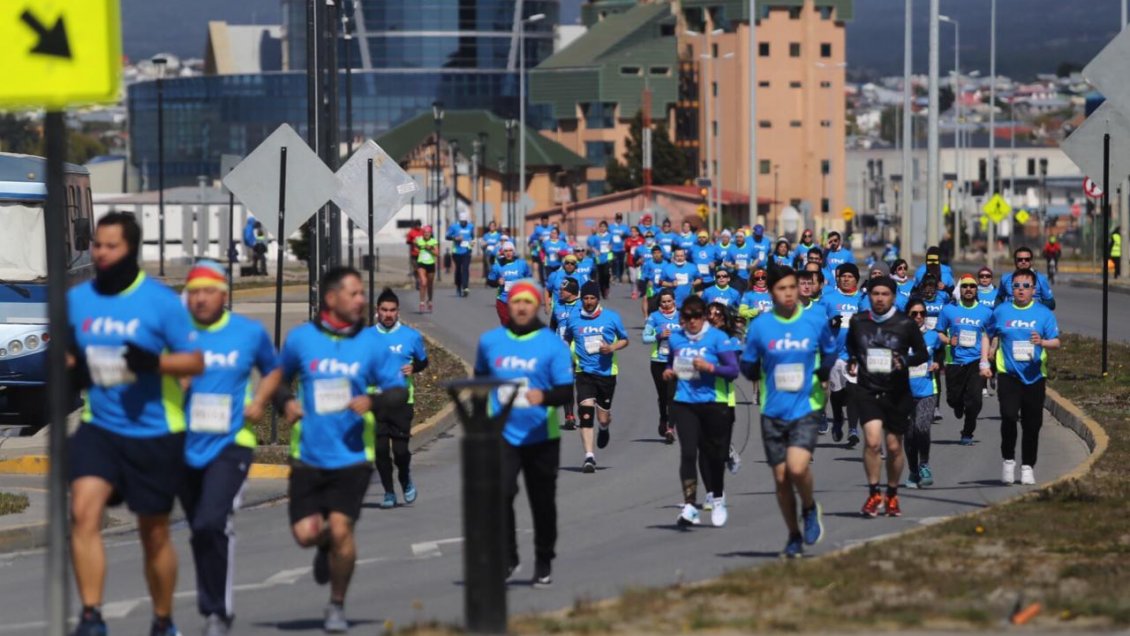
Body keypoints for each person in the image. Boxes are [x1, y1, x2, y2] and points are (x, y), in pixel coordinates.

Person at [67, 212, 205, 636]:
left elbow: (194, 362)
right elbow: (69, 355)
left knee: (154, 532)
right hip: (101, 426)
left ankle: (163, 619)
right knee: (82, 513)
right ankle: (92, 617)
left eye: (111, 246)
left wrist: (153, 363)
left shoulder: (160, 301)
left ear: (131, 249)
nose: (101, 253)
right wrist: (73, 370)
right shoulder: (78, 299)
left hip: (155, 430)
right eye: (97, 244)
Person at [276, 267, 408, 632]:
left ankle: (336, 604)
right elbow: (276, 380)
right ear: (331, 298)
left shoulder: (371, 344)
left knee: (341, 529)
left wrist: (373, 400)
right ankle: (323, 546)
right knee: (306, 535)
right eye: (354, 294)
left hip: (353, 455)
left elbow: (398, 391)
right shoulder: (301, 339)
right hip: (308, 453)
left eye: (362, 293)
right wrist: (286, 402)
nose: (362, 300)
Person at [178, 260, 282, 636]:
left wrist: (260, 401)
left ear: (224, 295)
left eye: (209, 291)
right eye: (195, 292)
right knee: (199, 529)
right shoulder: (175, 334)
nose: (201, 299)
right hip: (184, 445)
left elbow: (274, 369)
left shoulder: (247, 332)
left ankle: (217, 612)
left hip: (231, 443)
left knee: (212, 522)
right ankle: (213, 606)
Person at [475, 279, 574, 588]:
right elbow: (479, 383)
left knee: (542, 502)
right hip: (503, 435)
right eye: (516, 301)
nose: (521, 307)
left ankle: (544, 559)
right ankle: (508, 557)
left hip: (541, 435)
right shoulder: (490, 342)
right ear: (508, 305)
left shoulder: (552, 344)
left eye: (527, 302)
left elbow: (565, 392)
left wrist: (543, 396)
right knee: (501, 494)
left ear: (537, 306)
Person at [741, 266, 836, 557]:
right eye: (782, 289)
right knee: (781, 479)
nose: (789, 293)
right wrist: (751, 368)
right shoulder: (761, 326)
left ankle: (809, 508)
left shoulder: (814, 320)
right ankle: (793, 534)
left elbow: (830, 349)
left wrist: (823, 370)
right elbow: (748, 362)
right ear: (771, 293)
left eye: (792, 287)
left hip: (806, 405)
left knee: (796, 468)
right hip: (773, 409)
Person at [846, 277, 928, 518]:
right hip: (868, 389)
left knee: (893, 447)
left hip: (897, 392)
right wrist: (853, 360)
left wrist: (905, 360)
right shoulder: (858, 321)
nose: (880, 298)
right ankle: (874, 493)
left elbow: (922, 353)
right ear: (869, 296)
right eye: (875, 294)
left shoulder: (905, 323)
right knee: (872, 443)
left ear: (893, 297)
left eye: (885, 294)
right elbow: (851, 346)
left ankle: (892, 493)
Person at [663, 296, 740, 527]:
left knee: (714, 455)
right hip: (685, 403)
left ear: (703, 316)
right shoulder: (676, 339)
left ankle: (717, 499)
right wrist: (668, 372)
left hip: (713, 403)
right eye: (687, 317)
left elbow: (733, 370)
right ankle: (689, 506)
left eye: (697, 316)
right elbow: (670, 363)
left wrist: (710, 367)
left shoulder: (717, 338)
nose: (692, 321)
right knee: (688, 453)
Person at [984, 268, 1060, 485]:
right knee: (1008, 416)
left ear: (1033, 290)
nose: (1020, 290)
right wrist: (984, 361)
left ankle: (1027, 466)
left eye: (1026, 286)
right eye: (1016, 286)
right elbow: (987, 335)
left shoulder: (1044, 314)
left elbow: (1056, 342)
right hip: (1008, 374)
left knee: (1032, 423)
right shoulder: (1001, 311)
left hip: (1034, 376)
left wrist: (1042, 342)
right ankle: (1008, 460)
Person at [562, 281, 629, 472]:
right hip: (584, 372)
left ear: (598, 299)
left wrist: (612, 347)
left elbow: (625, 340)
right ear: (581, 299)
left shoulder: (611, 318)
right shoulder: (574, 318)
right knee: (585, 414)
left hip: (606, 373)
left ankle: (604, 428)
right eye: (586, 298)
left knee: (603, 418)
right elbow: (567, 338)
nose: (589, 302)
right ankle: (589, 457)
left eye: (592, 298)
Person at [372, 288, 429, 508]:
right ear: (377, 310)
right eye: (384, 310)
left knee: (400, 451)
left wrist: (414, 367)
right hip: (375, 401)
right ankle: (388, 492)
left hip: (402, 401)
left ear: (398, 311)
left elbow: (423, 361)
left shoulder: (411, 336)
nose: (388, 314)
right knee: (380, 451)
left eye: (392, 310)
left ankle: (405, 478)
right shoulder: (366, 337)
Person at [936, 275, 993, 445]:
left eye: (972, 286)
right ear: (960, 290)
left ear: (976, 290)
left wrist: (990, 351)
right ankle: (958, 405)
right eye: (965, 286)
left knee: (975, 401)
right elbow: (939, 332)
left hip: (975, 361)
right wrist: (948, 340)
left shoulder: (986, 312)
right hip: (954, 362)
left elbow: (992, 335)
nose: (968, 289)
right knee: (953, 399)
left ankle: (967, 432)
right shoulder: (949, 310)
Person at [819, 263, 864, 443]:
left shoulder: (862, 299)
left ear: (856, 279)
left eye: (850, 276)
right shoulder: (828, 298)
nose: (846, 279)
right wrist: (830, 323)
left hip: (854, 355)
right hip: (834, 355)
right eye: (843, 276)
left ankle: (853, 429)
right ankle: (838, 420)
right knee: (837, 394)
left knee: (854, 391)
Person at [902, 299, 944, 489]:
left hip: (927, 389)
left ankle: (924, 465)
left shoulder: (932, 336)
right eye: (914, 314)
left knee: (922, 428)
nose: (918, 317)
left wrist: (938, 364)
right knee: (909, 434)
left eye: (922, 313)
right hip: (903, 392)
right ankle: (913, 470)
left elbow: (940, 352)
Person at [642, 289, 681, 443]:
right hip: (658, 361)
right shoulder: (654, 317)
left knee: (673, 395)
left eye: (669, 301)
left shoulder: (682, 316)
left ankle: (671, 428)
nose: (666, 304)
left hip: (677, 362)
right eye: (663, 302)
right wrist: (659, 335)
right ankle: (663, 418)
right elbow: (645, 338)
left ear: (674, 301)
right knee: (663, 396)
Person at [549, 277, 581, 430]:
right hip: (562, 353)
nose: (559, 292)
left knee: (582, 386)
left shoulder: (583, 305)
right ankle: (569, 416)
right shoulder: (558, 305)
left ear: (572, 292)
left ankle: (585, 412)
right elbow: (552, 327)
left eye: (563, 290)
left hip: (581, 352)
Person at [488, 242, 534, 326]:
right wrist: (497, 282)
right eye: (506, 251)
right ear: (503, 252)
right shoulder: (497, 266)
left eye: (510, 250)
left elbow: (529, 278)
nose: (508, 253)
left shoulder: (522, 264)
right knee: (506, 325)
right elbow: (490, 281)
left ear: (514, 251)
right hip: (503, 300)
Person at [446, 213, 475, 297]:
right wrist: (455, 238)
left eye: (465, 222)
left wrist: (472, 243)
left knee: (465, 268)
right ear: (459, 221)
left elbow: (472, 237)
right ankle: (458, 286)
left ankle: (465, 287)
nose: (463, 223)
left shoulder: (470, 226)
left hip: (467, 251)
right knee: (458, 269)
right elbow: (447, 236)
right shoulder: (454, 226)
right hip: (456, 252)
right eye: (462, 222)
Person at [587, 220, 615, 298]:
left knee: (606, 274)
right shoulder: (596, 236)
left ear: (607, 228)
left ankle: (606, 287)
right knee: (599, 275)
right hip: (598, 258)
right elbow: (590, 246)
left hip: (607, 257)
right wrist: (594, 250)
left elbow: (611, 244)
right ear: (599, 228)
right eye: (601, 227)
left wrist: (610, 247)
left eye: (604, 227)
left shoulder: (610, 236)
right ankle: (602, 290)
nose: (603, 228)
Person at [414, 225, 438, 313]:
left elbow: (436, 253)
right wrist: (417, 249)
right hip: (421, 263)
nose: (426, 234)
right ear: (423, 233)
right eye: (425, 233)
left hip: (431, 264)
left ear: (430, 233)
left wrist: (430, 248)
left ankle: (430, 300)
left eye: (428, 233)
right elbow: (415, 247)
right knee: (423, 282)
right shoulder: (419, 240)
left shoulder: (433, 241)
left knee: (430, 284)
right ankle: (422, 303)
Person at [640, 244, 667, 318]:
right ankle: (646, 317)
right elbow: (643, 276)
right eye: (654, 253)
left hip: (663, 288)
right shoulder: (648, 264)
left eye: (658, 253)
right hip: (652, 288)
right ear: (652, 255)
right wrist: (647, 282)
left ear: (661, 253)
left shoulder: (666, 264)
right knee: (646, 299)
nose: (656, 255)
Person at [624, 225, 645, 294]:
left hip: (639, 262)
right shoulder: (628, 240)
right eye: (631, 231)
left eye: (634, 231)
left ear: (637, 233)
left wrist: (642, 258)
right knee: (633, 278)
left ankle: (637, 290)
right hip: (631, 261)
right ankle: (633, 290)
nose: (632, 233)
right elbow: (626, 251)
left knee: (638, 278)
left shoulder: (641, 240)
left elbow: (644, 250)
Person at [609, 212, 629, 282]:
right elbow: (608, 236)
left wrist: (624, 234)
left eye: (620, 218)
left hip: (622, 248)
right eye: (617, 218)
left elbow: (629, 236)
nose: (619, 219)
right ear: (615, 218)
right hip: (613, 248)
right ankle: (615, 275)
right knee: (614, 262)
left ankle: (620, 276)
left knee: (621, 263)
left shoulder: (625, 227)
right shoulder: (611, 227)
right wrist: (609, 245)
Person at [406, 220, 424, 286]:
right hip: (414, 254)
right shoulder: (411, 232)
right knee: (416, 268)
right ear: (415, 225)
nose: (418, 226)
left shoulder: (423, 231)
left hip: (422, 253)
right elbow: (407, 241)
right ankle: (417, 280)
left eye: (419, 225)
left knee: (421, 268)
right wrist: (412, 241)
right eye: (417, 225)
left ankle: (422, 280)